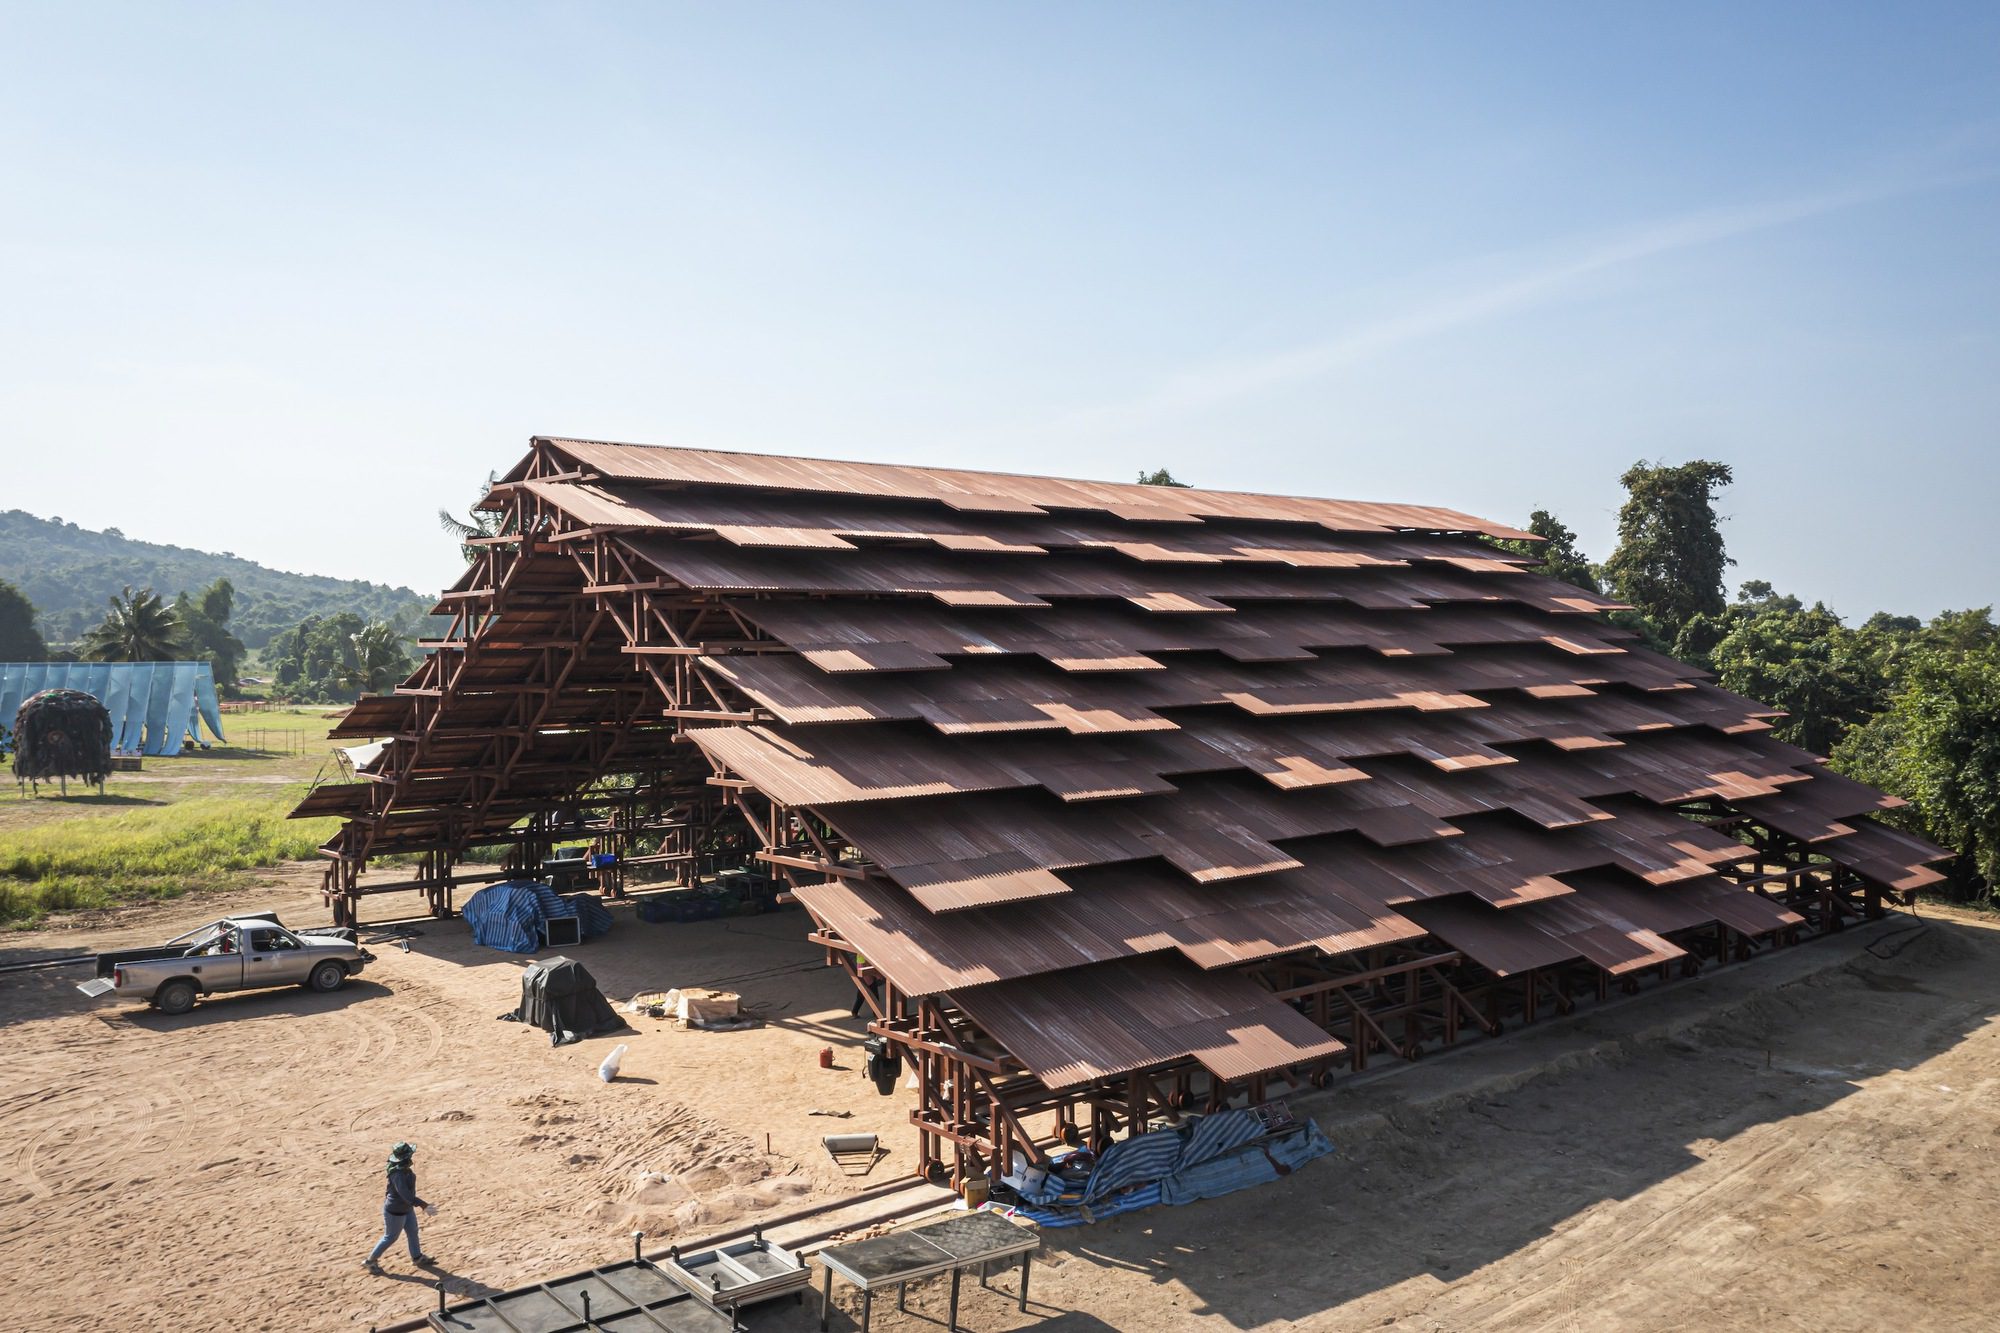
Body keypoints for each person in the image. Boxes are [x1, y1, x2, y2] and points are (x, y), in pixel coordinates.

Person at [365, 1141, 436, 1273]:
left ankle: (417, 1257)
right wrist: (422, 1204)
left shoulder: (403, 1170)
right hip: (395, 1211)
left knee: (413, 1232)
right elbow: (406, 1195)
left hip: (407, 1208)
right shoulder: (397, 1174)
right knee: (390, 1237)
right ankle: (370, 1261)